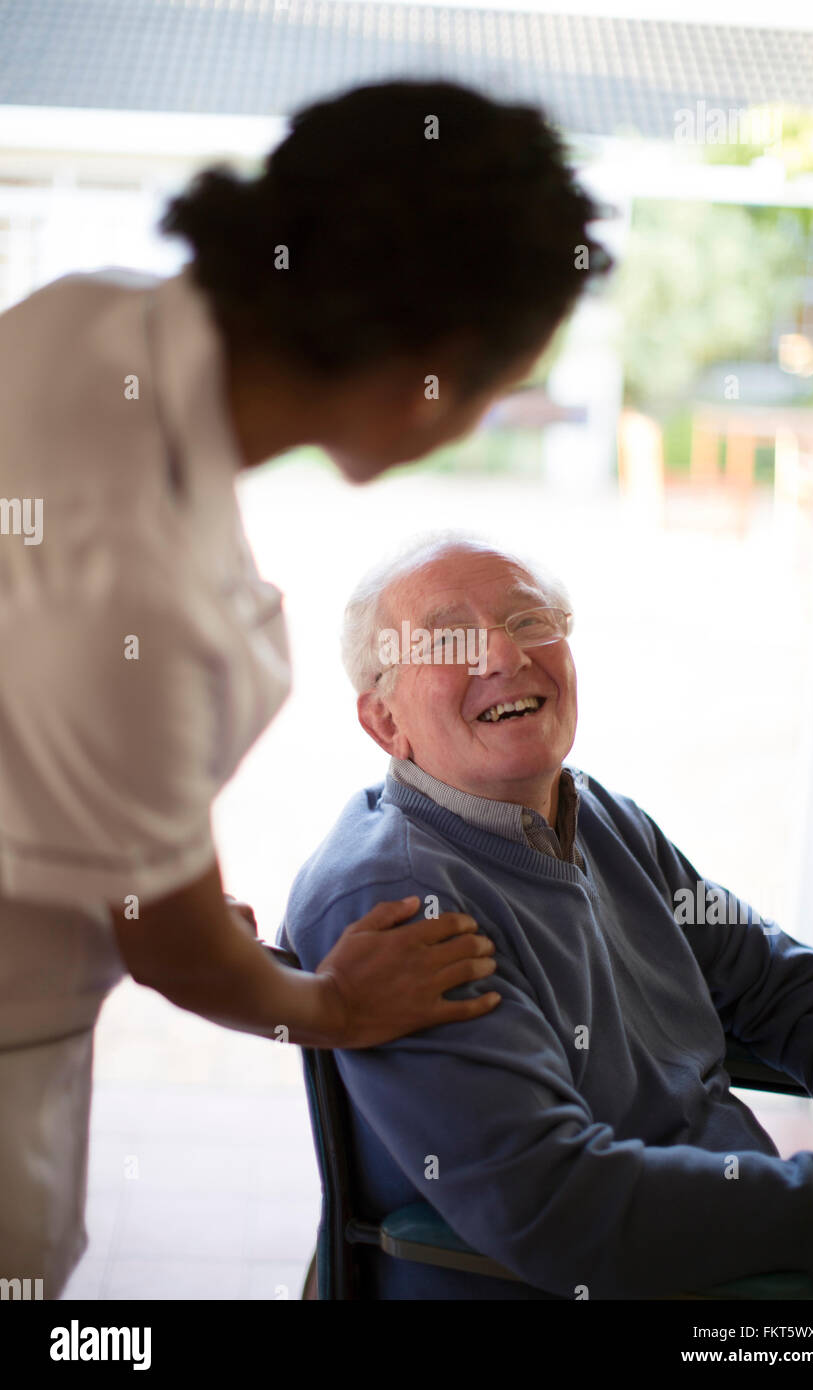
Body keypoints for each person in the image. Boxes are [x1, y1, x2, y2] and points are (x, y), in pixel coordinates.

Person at [0, 81, 611, 1295]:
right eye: (496, 386)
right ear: (425, 371)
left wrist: (125, 850)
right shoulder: (138, 590)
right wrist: (328, 1004)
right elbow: (173, 943)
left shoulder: (78, 320)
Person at [281, 534, 813, 1299]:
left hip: (742, 1248)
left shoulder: (597, 817)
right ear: (385, 722)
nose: (502, 654)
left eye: (529, 620)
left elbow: (780, 989)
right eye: (447, 638)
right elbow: (559, 1208)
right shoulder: (394, 901)